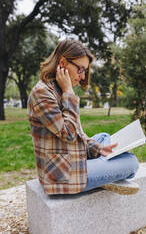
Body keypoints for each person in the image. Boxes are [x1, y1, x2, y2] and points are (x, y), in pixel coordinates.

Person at [27, 39, 139, 195]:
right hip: (61, 175)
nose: (82, 76)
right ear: (62, 62)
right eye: (80, 69)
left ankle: (101, 173)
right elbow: (69, 133)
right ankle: (101, 176)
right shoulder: (43, 93)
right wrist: (69, 94)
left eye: (85, 70)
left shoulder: (60, 89)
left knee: (103, 137)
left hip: (70, 158)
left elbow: (79, 134)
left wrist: (99, 149)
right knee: (131, 162)